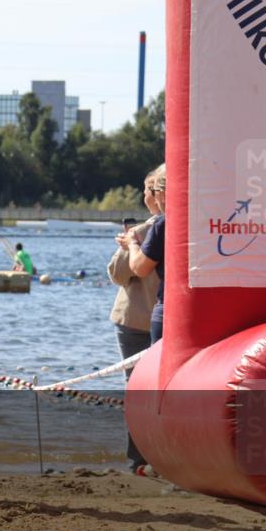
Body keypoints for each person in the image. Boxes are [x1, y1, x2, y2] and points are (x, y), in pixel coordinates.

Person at [107, 165, 163, 473]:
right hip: (160, 321)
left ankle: (138, 458)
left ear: (154, 195)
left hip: (134, 321)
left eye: (146, 190)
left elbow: (117, 273)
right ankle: (156, 454)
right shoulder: (179, 226)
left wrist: (128, 246)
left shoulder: (142, 232)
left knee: (137, 389)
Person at [119, 164, 167, 344]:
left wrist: (132, 244)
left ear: (161, 194)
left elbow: (140, 267)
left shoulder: (162, 225)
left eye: (152, 190)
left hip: (168, 311)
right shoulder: (208, 220)